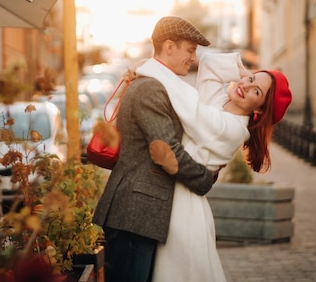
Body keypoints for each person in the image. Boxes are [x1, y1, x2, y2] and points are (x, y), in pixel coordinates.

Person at [136, 51, 292, 282]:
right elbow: (208, 64)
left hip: (184, 207)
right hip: (172, 194)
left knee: (175, 273)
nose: (246, 87)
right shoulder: (219, 101)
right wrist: (246, 73)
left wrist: (150, 67)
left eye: (256, 92)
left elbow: (191, 108)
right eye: (249, 81)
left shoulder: (233, 129)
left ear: (259, 110)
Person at [93, 16, 219, 282]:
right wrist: (205, 178)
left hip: (140, 215)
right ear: (169, 47)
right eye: (190, 50)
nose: (194, 59)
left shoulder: (155, 82)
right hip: (135, 214)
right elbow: (167, 149)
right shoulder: (151, 88)